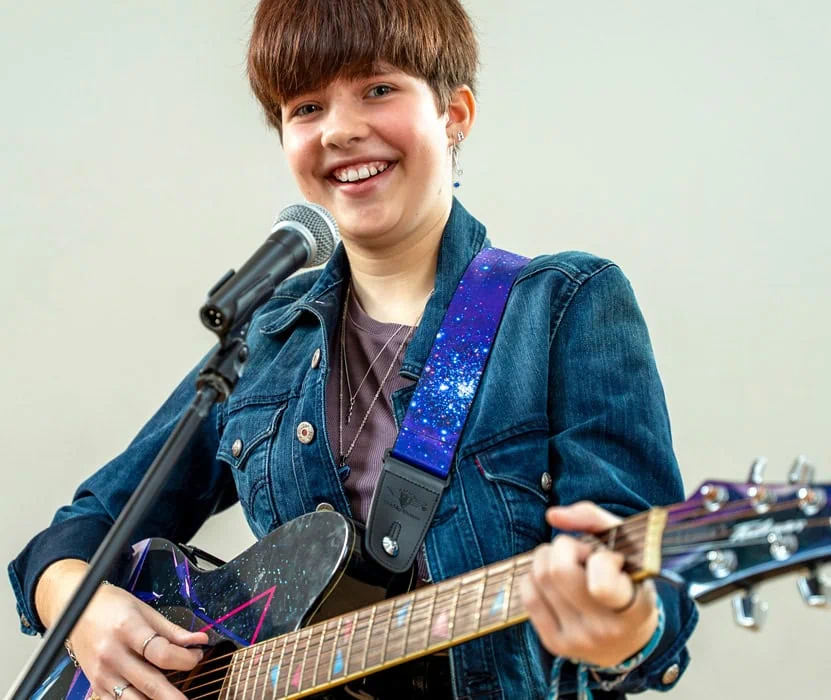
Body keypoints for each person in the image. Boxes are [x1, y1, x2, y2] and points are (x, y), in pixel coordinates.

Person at [9, 1, 698, 698]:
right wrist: (77, 604)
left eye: (378, 88)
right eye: (306, 108)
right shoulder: (268, 334)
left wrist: (624, 627)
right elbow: (87, 526)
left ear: (454, 113)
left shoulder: (563, 306)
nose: (339, 130)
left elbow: (655, 595)